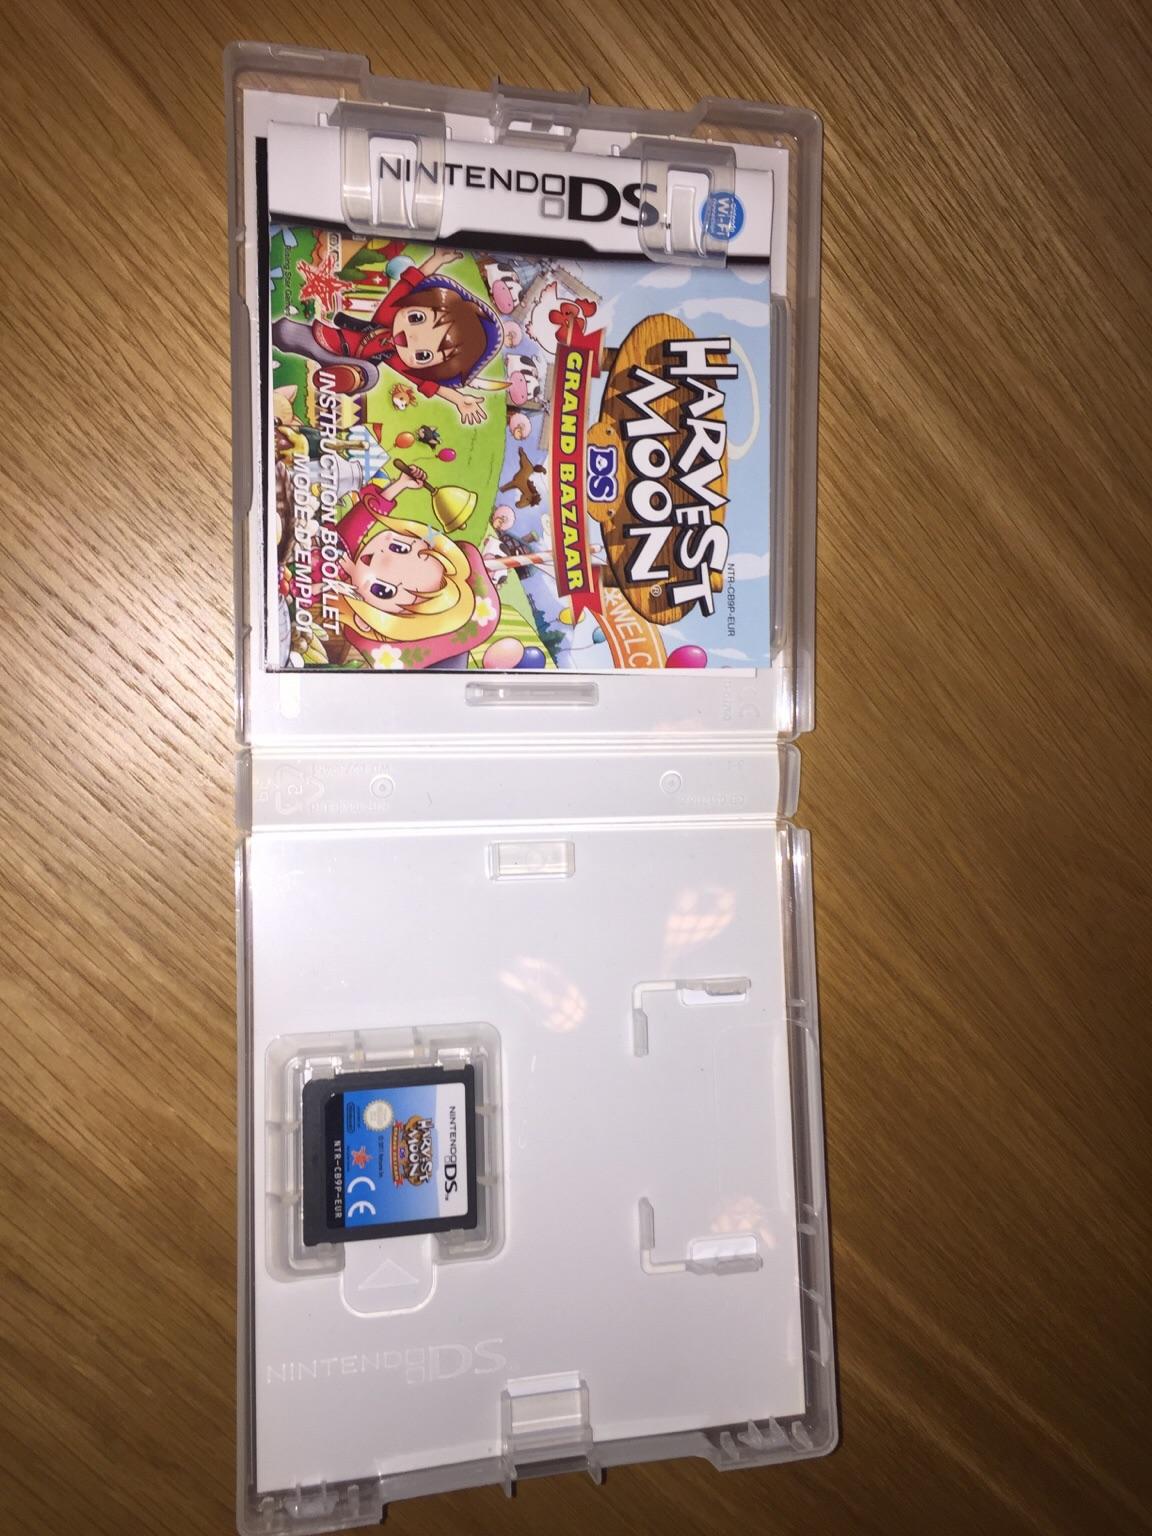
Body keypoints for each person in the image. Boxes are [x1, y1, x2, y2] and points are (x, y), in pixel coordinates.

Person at [273, 246, 502, 422]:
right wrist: (436, 260)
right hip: (330, 340)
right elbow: (409, 282)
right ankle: (281, 337)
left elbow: (430, 384)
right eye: (416, 318)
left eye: (424, 355)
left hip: (353, 366)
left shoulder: (399, 361)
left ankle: (338, 378)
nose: (411, 338)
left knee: (371, 374)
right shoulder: (388, 314)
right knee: (285, 331)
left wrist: (459, 399)